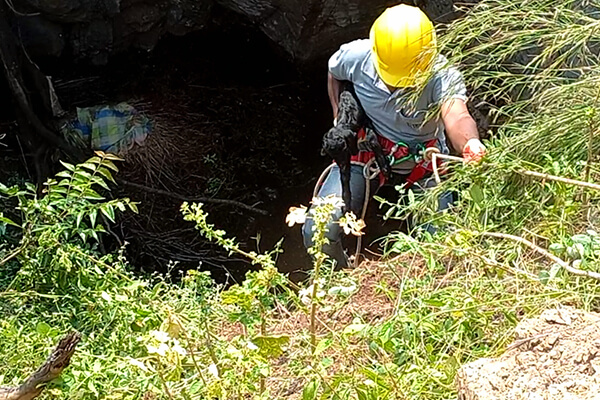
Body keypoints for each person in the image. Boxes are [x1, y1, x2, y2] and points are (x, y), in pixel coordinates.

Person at [302, 4, 486, 268]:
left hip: (423, 160)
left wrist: (469, 143)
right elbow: (334, 72)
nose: (399, 83)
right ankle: (341, 281)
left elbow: (457, 115)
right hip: (368, 152)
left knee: (439, 246)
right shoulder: (357, 57)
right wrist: (339, 119)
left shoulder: (441, 75)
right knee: (317, 233)